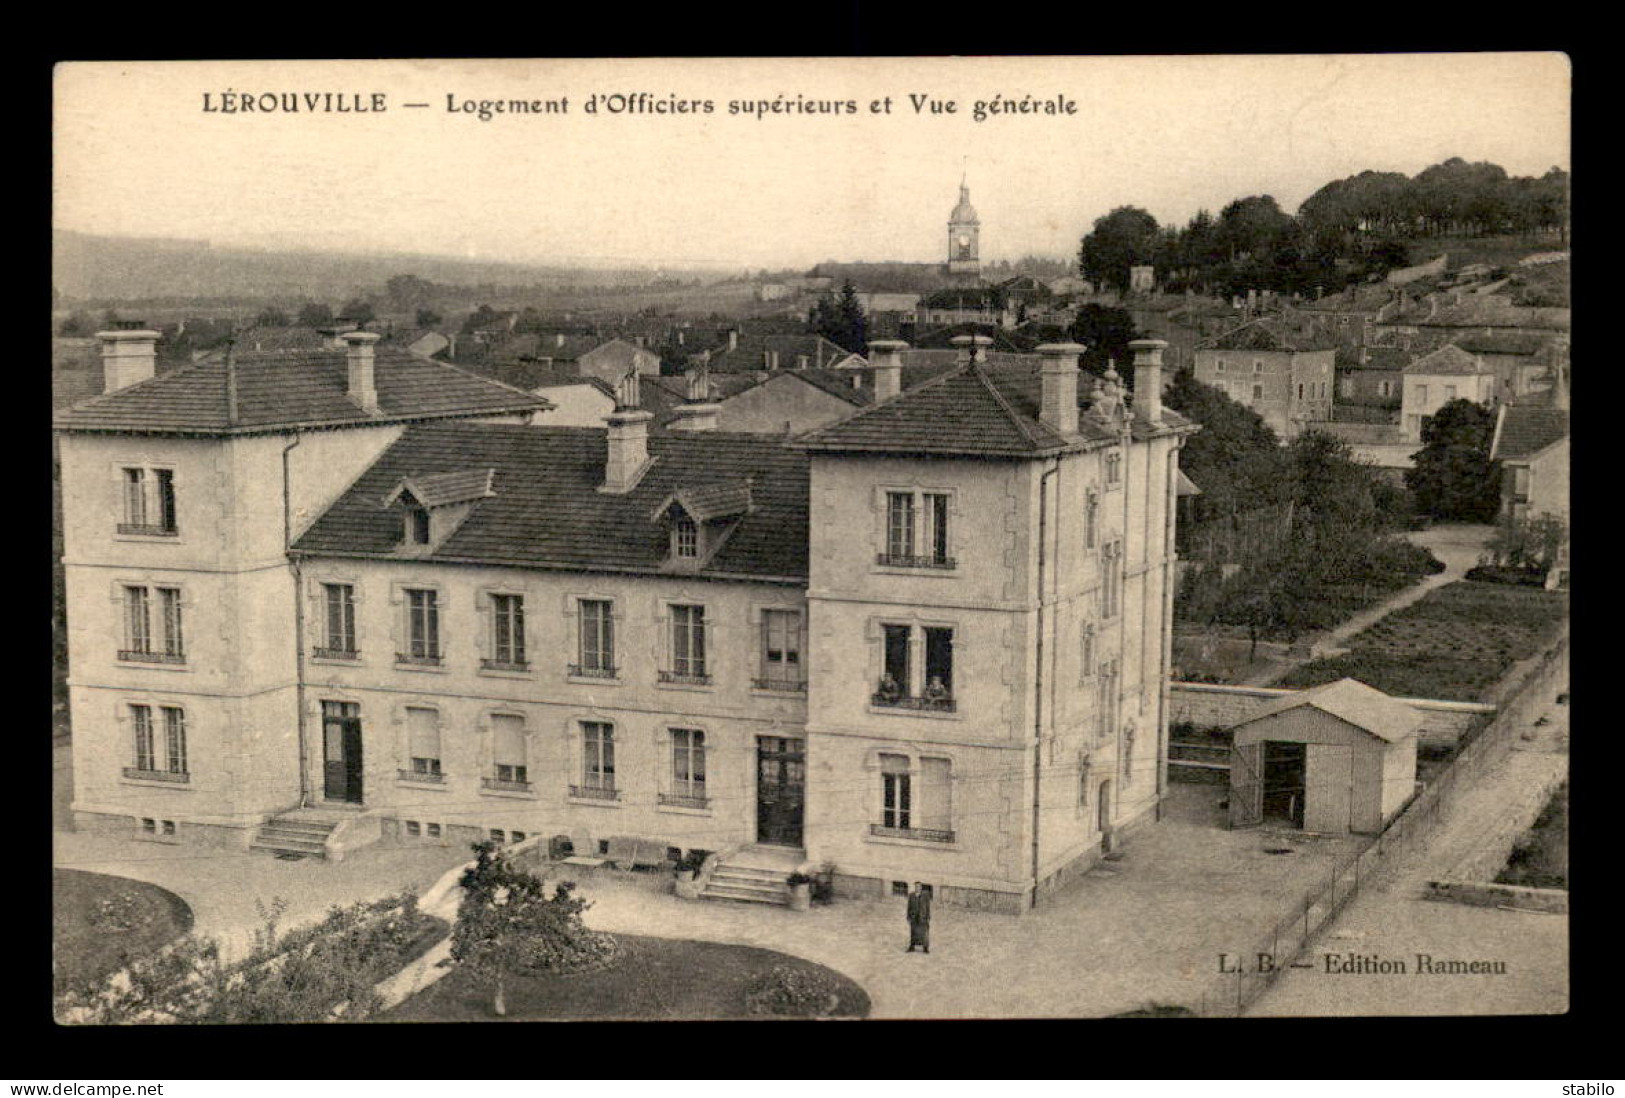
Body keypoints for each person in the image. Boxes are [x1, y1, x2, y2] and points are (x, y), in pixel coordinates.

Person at [905, 882, 932, 954]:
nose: (917, 888)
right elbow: (909, 906)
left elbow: (928, 906)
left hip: (923, 916)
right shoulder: (911, 895)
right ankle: (912, 946)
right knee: (913, 932)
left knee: (924, 933)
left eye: (919, 886)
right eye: (916, 886)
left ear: (921, 887)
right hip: (914, 916)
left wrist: (928, 916)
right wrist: (908, 916)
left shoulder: (925, 895)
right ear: (915, 887)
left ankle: (925, 948)